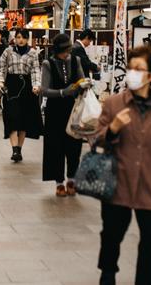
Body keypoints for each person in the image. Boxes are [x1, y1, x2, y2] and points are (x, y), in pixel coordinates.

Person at [95, 46, 151, 285]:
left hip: (149, 186)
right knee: (112, 235)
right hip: (117, 183)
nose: (133, 73)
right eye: (130, 68)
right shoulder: (114, 104)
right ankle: (108, 272)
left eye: (139, 69)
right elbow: (96, 137)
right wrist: (112, 128)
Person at [40, 33, 90, 196]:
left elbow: (82, 79)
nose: (66, 54)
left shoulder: (75, 61)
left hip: (73, 109)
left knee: (74, 146)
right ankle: (59, 182)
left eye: (68, 50)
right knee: (56, 147)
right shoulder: (48, 64)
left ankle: (72, 180)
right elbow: (44, 90)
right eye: (63, 51)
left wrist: (85, 84)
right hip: (55, 111)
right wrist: (63, 92)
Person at [0, 28, 43, 162]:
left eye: (23, 37)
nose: (20, 40)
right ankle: (14, 149)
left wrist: (36, 85)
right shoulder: (8, 51)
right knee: (11, 116)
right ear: (15, 38)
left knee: (24, 119)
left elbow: (35, 70)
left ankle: (19, 149)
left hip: (27, 87)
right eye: (18, 37)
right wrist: (0, 81)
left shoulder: (33, 53)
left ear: (27, 39)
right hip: (11, 85)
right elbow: (1, 67)